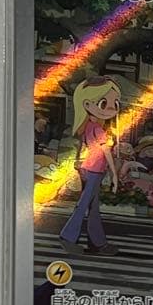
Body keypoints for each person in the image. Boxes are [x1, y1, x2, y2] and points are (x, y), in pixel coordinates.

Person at [60, 76, 120, 254]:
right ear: (87, 104)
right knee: (85, 203)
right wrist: (114, 174)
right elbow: (106, 151)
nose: (112, 108)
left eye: (115, 103)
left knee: (93, 207)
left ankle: (97, 242)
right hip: (94, 169)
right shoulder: (98, 129)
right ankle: (68, 236)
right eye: (104, 103)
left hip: (90, 168)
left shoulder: (88, 126)